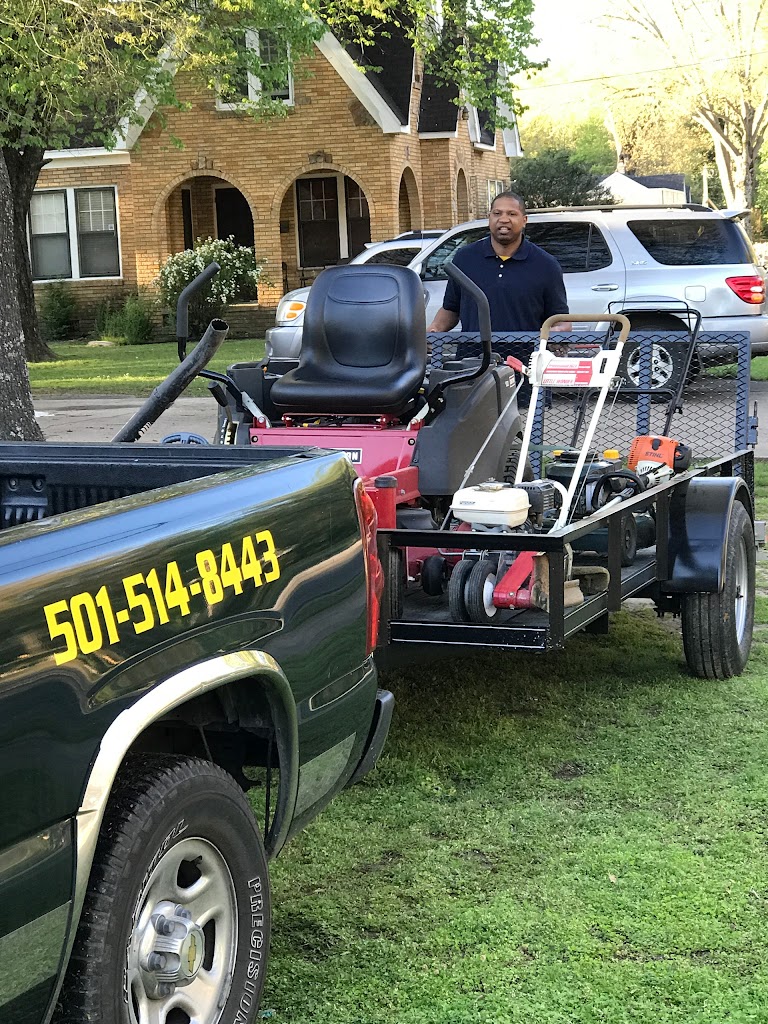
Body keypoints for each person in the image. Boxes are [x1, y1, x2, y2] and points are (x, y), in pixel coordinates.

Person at [427, 191, 571, 333]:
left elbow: (561, 321)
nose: (503, 219)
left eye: (512, 214)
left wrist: (558, 331)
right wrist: (434, 330)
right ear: (489, 218)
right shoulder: (464, 258)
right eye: (497, 213)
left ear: (524, 220)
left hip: (525, 349)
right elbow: (450, 309)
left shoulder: (546, 265)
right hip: (473, 349)